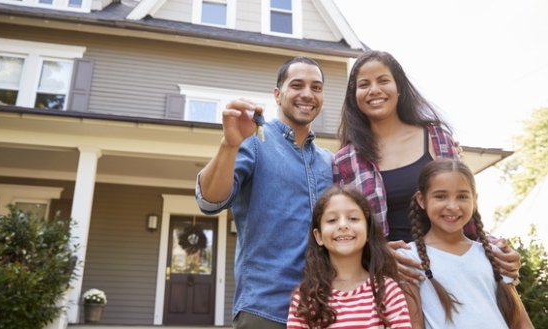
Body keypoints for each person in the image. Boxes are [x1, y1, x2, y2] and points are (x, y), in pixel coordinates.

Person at [332, 50, 521, 283]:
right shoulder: (345, 160)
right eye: (364, 84)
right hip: (392, 278)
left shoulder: (437, 137)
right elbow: (344, 228)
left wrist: (496, 248)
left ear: (398, 87)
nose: (374, 90)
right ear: (354, 95)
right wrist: (376, 253)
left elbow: (463, 205)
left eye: (383, 80)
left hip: (450, 269)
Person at [195, 56, 333, 328]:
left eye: (316, 87)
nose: (307, 94)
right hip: (266, 311)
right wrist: (228, 144)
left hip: (325, 309)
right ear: (278, 94)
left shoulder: (329, 161)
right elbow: (210, 201)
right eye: (297, 85)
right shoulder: (254, 142)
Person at [398, 159, 534, 329]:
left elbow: (521, 321)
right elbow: (414, 324)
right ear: (422, 200)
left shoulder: (493, 253)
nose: (453, 206)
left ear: (474, 200)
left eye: (462, 196)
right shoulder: (409, 258)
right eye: (440, 196)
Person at [287, 185, 413, 329]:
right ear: (318, 236)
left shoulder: (387, 291)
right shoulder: (306, 297)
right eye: (332, 220)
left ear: (367, 230)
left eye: (353, 218)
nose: (343, 225)